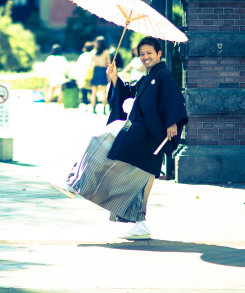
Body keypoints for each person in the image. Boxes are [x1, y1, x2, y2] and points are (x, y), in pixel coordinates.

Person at [49, 36, 187, 240]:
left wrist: (172, 123)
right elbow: (130, 91)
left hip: (149, 136)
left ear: (159, 53)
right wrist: (114, 78)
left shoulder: (163, 75)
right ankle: (140, 224)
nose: (145, 57)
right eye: (142, 54)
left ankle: (74, 183)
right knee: (137, 179)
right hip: (142, 134)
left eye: (149, 53)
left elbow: (174, 99)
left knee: (100, 144)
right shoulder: (149, 76)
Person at [90, 36, 111, 114]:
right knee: (103, 92)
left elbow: (90, 64)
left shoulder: (93, 52)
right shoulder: (106, 52)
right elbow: (109, 64)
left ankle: (93, 108)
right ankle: (104, 109)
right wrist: (108, 75)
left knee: (94, 92)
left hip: (95, 71)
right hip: (103, 71)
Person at [74, 42, 95, 108]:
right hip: (92, 76)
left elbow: (78, 66)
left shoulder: (82, 56)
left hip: (84, 75)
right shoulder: (93, 55)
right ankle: (93, 106)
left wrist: (77, 77)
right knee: (93, 92)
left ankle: (85, 106)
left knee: (84, 92)